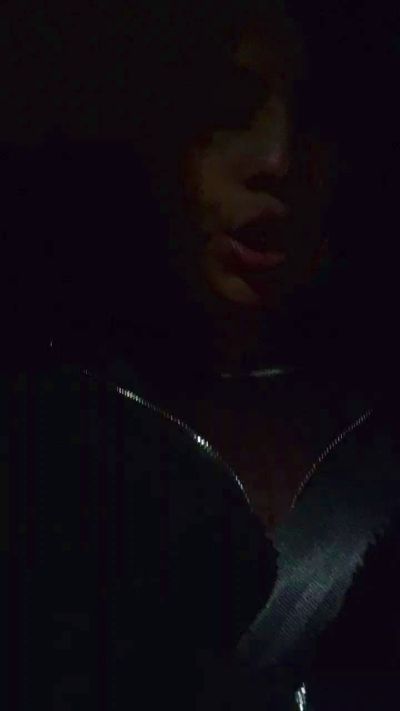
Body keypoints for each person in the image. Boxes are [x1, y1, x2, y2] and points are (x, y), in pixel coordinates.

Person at [2, 1, 400, 708]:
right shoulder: (40, 441)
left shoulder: (376, 442)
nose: (277, 160)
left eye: (315, 117)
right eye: (230, 110)